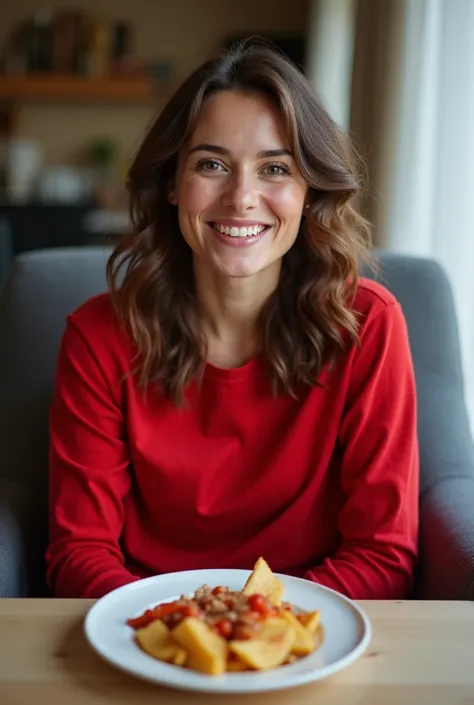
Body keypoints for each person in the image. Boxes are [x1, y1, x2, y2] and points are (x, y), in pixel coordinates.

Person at [46, 44, 419, 600]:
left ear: (308, 189)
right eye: (212, 164)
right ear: (173, 183)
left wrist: (253, 627)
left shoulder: (367, 325)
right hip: (144, 629)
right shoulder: (98, 337)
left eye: (275, 168)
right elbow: (80, 551)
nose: (242, 198)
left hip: (310, 629)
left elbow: (382, 552)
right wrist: (179, 632)